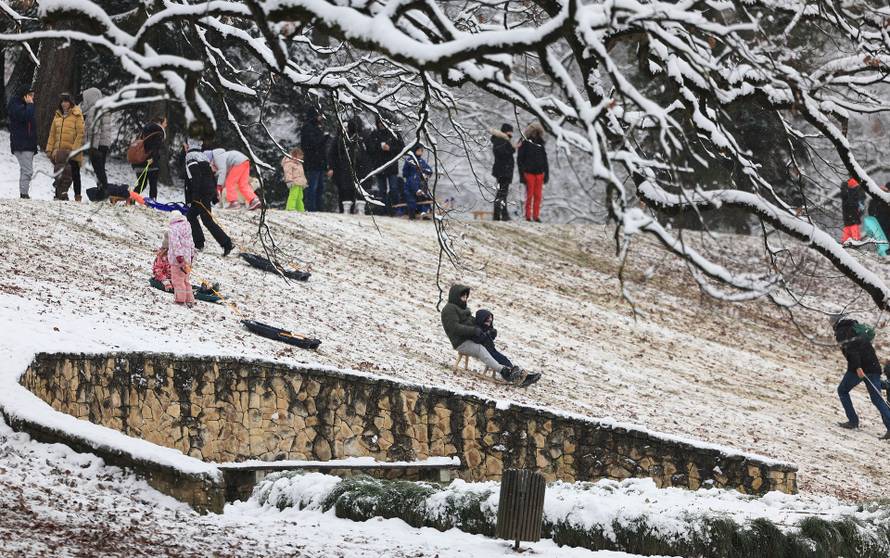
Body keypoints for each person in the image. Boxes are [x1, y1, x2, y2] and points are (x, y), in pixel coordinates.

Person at [440, 284, 540, 387]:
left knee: (492, 351)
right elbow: (454, 328)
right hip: (461, 342)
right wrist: (473, 331)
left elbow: (473, 321)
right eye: (462, 297)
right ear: (455, 296)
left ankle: (517, 373)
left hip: (471, 338)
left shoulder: (463, 309)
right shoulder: (449, 309)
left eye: (466, 297)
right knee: (480, 349)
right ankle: (504, 371)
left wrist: (488, 329)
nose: (465, 299)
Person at [832, 315, 890, 439]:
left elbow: (852, 350)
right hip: (873, 366)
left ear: (835, 323)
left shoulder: (841, 332)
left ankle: (853, 421)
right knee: (877, 399)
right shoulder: (857, 328)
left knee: (842, 390)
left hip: (859, 369)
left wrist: (858, 367)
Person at [184, 140, 234, 256]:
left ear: (189, 145)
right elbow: (210, 175)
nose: (184, 146)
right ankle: (199, 243)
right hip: (207, 190)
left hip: (201, 192)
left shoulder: (190, 156)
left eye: (185, 144)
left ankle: (227, 243)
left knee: (207, 220)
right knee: (191, 216)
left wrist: (195, 195)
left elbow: (196, 176)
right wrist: (214, 193)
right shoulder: (203, 156)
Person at [46, 93, 85, 201]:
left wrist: (74, 149)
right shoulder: (57, 116)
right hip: (58, 151)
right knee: (58, 173)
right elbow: (52, 134)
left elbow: (80, 133)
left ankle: (67, 195)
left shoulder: (77, 115)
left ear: (70, 102)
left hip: (71, 151)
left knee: (69, 174)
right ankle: (58, 195)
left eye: (66, 101)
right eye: (62, 101)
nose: (64, 104)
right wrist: (50, 149)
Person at [328, 119, 368, 214]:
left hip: (357, 168)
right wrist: (333, 166)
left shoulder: (362, 138)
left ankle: (357, 209)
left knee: (354, 189)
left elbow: (367, 154)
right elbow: (333, 154)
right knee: (345, 189)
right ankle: (344, 209)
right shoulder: (341, 139)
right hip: (344, 168)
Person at [366, 116, 404, 215]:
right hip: (379, 166)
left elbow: (402, 148)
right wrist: (379, 147)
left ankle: (394, 209)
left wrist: (390, 148)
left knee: (394, 189)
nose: (381, 125)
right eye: (379, 123)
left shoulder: (394, 134)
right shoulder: (374, 134)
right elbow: (369, 149)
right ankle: (384, 210)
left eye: (383, 123)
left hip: (392, 166)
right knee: (382, 190)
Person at [80, 87, 113, 193]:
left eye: (86, 99)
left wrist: (92, 147)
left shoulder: (94, 110)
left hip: (97, 144)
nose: (84, 101)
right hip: (104, 143)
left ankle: (104, 190)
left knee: (98, 169)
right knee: (100, 168)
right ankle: (103, 190)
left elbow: (95, 130)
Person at [7, 85, 37, 199]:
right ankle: (24, 194)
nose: (32, 98)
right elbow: (26, 117)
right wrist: (30, 104)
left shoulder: (25, 106)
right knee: (28, 171)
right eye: (30, 96)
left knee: (25, 170)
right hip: (22, 144)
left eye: (33, 96)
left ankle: (23, 193)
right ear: (24, 95)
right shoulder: (17, 106)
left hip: (27, 144)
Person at [516, 122, 549, 222]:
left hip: (539, 173)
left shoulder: (541, 144)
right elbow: (520, 160)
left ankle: (536, 216)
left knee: (538, 196)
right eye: (534, 131)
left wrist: (546, 174)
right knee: (529, 196)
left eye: (537, 132)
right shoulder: (525, 143)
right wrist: (522, 175)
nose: (535, 133)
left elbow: (545, 160)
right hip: (528, 173)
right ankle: (528, 216)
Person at [300, 107, 329, 212]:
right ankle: (312, 208)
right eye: (318, 115)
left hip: (318, 162)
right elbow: (312, 144)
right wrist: (324, 139)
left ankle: (318, 207)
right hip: (313, 161)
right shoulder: (308, 128)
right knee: (313, 186)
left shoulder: (316, 128)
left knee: (319, 187)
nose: (320, 118)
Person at [133, 116, 167, 199]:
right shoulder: (158, 132)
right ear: (160, 123)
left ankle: (131, 198)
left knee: (141, 184)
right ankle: (152, 202)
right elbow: (155, 147)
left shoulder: (144, 129)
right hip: (151, 163)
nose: (166, 125)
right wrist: (154, 158)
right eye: (165, 122)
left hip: (139, 161)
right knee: (153, 184)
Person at [167, 214, 196, 306]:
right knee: (185, 280)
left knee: (177, 280)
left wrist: (180, 258)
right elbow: (191, 242)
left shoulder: (173, 228)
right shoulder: (187, 227)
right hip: (187, 258)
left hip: (177, 259)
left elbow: (176, 244)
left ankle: (180, 299)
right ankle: (189, 299)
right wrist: (191, 256)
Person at [490, 123, 515, 221]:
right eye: (510, 131)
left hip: (503, 170)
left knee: (502, 193)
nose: (511, 134)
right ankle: (500, 215)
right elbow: (503, 153)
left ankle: (502, 214)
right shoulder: (501, 140)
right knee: (502, 193)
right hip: (504, 170)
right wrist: (512, 149)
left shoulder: (500, 140)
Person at [401, 143, 433, 219]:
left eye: (421, 151)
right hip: (410, 185)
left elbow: (429, 170)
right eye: (418, 150)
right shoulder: (410, 160)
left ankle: (424, 212)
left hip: (421, 185)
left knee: (425, 198)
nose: (420, 152)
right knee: (411, 199)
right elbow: (405, 173)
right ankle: (412, 213)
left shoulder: (422, 161)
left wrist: (425, 172)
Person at [282, 147, 307, 212]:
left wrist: (304, 182)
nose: (302, 157)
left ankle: (300, 209)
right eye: (300, 155)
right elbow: (288, 173)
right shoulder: (289, 163)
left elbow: (302, 174)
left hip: (300, 183)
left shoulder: (299, 164)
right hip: (294, 182)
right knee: (293, 195)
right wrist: (289, 181)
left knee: (300, 197)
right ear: (295, 155)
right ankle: (290, 208)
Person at [840, 178, 864, 244]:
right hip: (853, 215)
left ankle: (847, 243)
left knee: (848, 230)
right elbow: (861, 205)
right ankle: (854, 242)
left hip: (848, 216)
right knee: (854, 232)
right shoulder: (858, 190)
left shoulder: (846, 189)